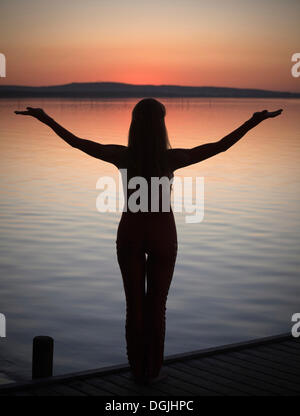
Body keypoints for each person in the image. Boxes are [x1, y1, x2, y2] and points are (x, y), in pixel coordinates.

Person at [15, 99, 282, 385]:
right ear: (161, 125)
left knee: (135, 305)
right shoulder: (171, 159)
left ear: (134, 124)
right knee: (157, 305)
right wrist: (253, 122)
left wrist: (46, 119)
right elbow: (220, 146)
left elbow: (77, 142)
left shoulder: (123, 156)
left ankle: (137, 370)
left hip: (131, 231)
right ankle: (152, 372)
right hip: (163, 233)